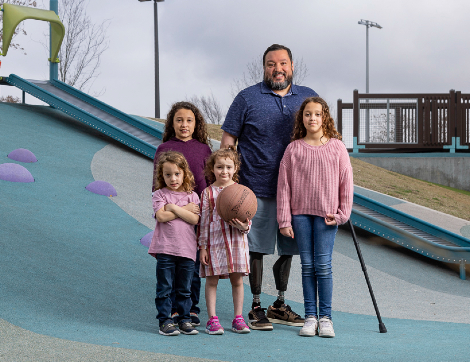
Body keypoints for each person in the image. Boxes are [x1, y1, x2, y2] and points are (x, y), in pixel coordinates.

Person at [221, 44, 318, 330]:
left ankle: (279, 303)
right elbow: (228, 142)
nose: (277, 69)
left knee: (289, 249)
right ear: (264, 67)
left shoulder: (308, 97)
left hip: (296, 192)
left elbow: (321, 134)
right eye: (271, 64)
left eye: (283, 63)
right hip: (255, 190)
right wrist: (230, 184)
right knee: (256, 249)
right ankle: (255, 306)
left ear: (291, 65)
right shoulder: (246, 98)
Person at [277, 97, 353, 338]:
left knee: (323, 265)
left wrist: (343, 214)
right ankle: (310, 316)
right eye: (308, 114)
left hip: (327, 216)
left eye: (317, 114)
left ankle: (326, 318)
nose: (312, 118)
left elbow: (346, 182)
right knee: (307, 266)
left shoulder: (337, 147)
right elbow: (284, 186)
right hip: (300, 215)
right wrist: (284, 220)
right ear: (302, 118)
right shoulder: (294, 149)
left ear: (325, 117)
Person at [152, 101, 212, 327]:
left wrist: (199, 212)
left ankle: (191, 309)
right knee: (170, 266)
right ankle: (172, 312)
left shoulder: (204, 149)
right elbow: (157, 186)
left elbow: (207, 183)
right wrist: (171, 210)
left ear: (196, 124)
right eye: (179, 120)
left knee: (192, 266)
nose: (184, 124)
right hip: (170, 217)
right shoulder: (163, 149)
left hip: (195, 212)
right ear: (172, 123)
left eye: (189, 120)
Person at [198, 147, 251, 335]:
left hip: (236, 242)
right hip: (215, 243)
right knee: (212, 281)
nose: (224, 171)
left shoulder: (242, 193)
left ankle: (238, 318)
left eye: (229, 167)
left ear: (235, 168)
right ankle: (212, 319)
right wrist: (202, 247)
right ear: (212, 169)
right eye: (220, 167)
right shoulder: (207, 193)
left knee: (237, 281)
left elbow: (248, 219)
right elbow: (203, 222)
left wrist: (245, 227)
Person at [149, 151, 201, 336]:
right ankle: (165, 321)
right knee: (164, 287)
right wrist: (181, 210)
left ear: (184, 174)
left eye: (177, 174)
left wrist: (175, 208)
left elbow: (194, 219)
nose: (173, 178)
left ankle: (185, 320)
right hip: (165, 249)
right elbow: (161, 216)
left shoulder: (192, 196)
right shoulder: (159, 194)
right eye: (168, 174)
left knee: (184, 289)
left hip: (187, 250)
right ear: (161, 176)